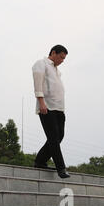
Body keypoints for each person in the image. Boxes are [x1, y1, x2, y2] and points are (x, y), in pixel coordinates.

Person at [32, 45, 70, 179]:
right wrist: (41, 102)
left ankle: (40, 161)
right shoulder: (41, 64)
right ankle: (61, 168)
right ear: (53, 53)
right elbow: (38, 84)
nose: (62, 60)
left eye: (64, 58)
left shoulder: (56, 70)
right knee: (53, 138)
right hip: (47, 107)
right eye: (61, 57)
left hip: (59, 108)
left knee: (59, 136)